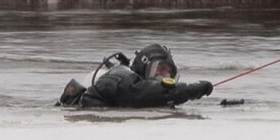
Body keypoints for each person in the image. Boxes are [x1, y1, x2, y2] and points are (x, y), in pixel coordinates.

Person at [59, 44, 214, 108]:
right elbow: (143, 92)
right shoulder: (121, 76)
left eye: (169, 72)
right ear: (143, 65)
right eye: (159, 68)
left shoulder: (143, 91)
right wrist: (191, 90)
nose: (163, 75)